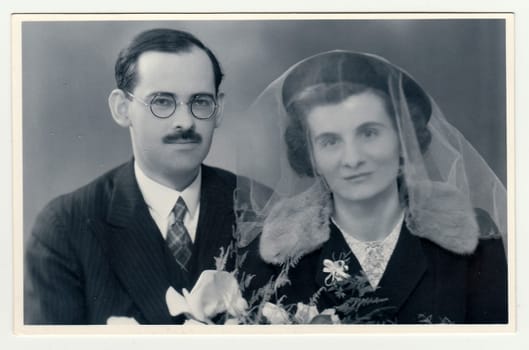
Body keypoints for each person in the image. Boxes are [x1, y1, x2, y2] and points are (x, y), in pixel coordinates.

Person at [236, 50, 508, 324]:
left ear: (403, 141)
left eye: (369, 133)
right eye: (330, 141)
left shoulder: (474, 240)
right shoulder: (274, 257)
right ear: (311, 156)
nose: (352, 159)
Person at [24, 28, 237, 325]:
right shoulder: (65, 228)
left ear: (219, 109)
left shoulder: (265, 214)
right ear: (122, 109)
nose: (185, 121)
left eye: (200, 101)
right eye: (162, 102)